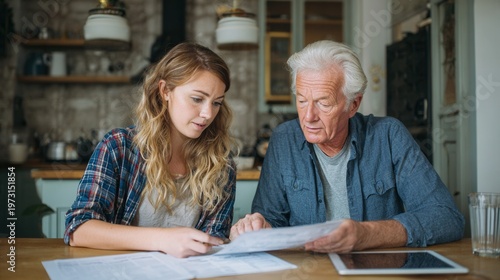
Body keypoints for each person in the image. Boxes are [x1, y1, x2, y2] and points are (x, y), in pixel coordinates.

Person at [230, 40, 464, 253]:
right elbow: (271, 221)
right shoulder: (283, 139)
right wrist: (259, 226)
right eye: (301, 101)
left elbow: (446, 217)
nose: (308, 116)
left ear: (353, 104)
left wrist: (366, 234)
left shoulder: (389, 136)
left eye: (323, 103)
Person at [65, 42, 236, 258]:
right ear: (165, 91)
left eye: (216, 103)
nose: (207, 113)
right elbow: (78, 229)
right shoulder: (119, 147)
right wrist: (163, 239)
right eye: (197, 99)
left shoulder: (221, 164)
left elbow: (213, 241)